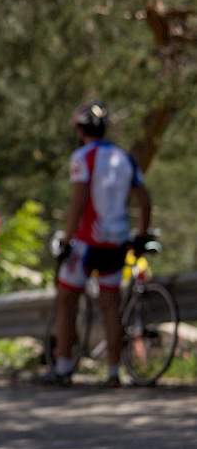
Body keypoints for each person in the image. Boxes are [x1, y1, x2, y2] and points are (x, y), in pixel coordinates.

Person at [44, 101, 152, 387]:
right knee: (110, 306)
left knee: (66, 300)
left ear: (80, 130)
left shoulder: (83, 156)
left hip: (86, 243)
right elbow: (145, 198)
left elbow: (78, 202)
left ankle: (64, 366)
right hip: (116, 242)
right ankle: (114, 371)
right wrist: (141, 235)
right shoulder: (124, 157)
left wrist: (67, 239)